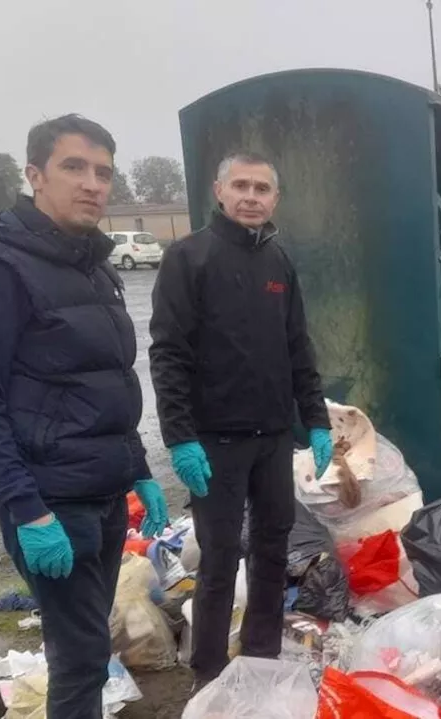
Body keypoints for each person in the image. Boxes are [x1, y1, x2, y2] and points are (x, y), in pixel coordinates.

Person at [0, 115, 169, 719]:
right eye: (75, 167)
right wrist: (26, 509)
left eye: (103, 172)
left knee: (92, 643)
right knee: (81, 657)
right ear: (35, 175)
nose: (93, 184)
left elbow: (108, 383)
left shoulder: (92, 264)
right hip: (49, 501)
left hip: (102, 491)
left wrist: (138, 468)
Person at [149, 152, 334, 686]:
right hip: (215, 442)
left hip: (273, 438)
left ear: (275, 199)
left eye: (262, 188)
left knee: (273, 548)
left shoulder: (279, 263)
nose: (251, 197)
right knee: (220, 558)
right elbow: (169, 354)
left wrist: (315, 419)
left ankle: (261, 657)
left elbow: (299, 348)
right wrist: (180, 438)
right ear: (220, 191)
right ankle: (207, 673)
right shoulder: (189, 258)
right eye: (241, 186)